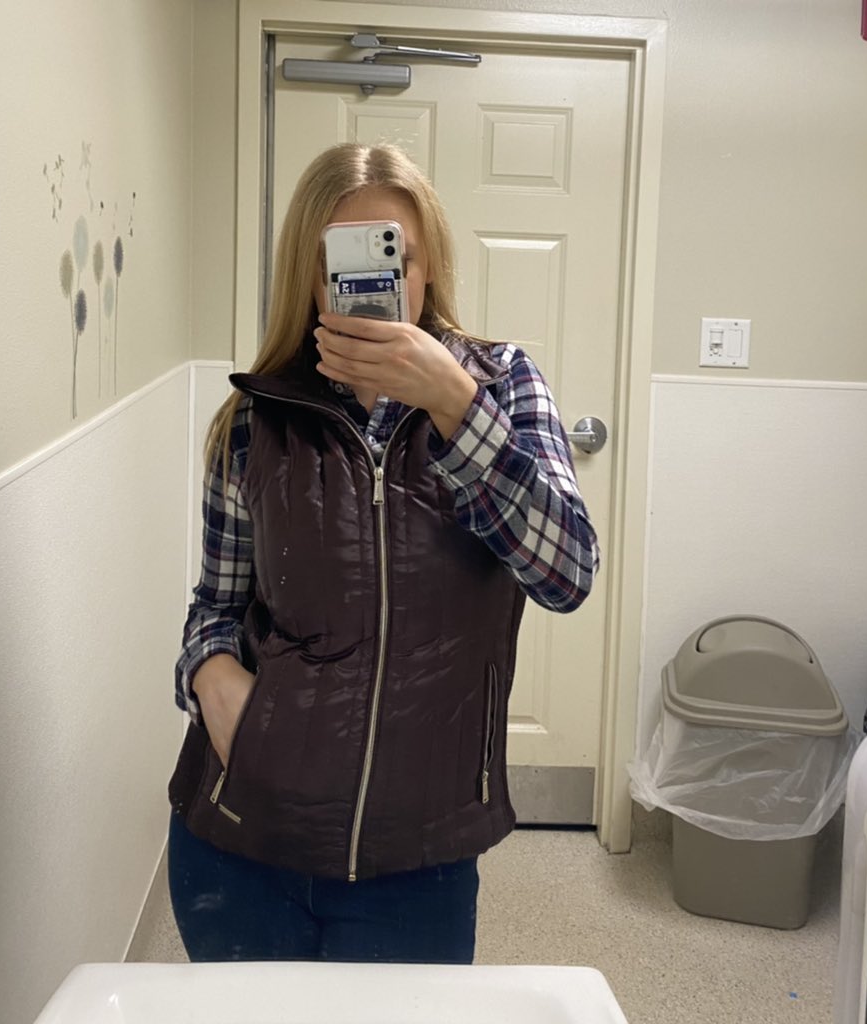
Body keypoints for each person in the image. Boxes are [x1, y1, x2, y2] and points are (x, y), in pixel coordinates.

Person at [167, 142, 599, 965]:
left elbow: (567, 573)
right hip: (239, 840)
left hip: (417, 860)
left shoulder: (504, 387)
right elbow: (215, 607)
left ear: (428, 266)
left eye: (395, 254)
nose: (373, 281)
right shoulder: (255, 418)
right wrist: (211, 679)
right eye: (342, 259)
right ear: (310, 275)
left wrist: (457, 408)